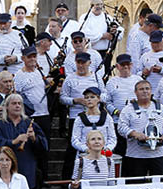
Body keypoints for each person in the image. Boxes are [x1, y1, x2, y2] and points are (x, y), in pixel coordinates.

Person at [60, 52, 106, 180]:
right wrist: (76, 100)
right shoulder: (69, 78)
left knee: (95, 144)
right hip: (76, 116)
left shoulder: (96, 77)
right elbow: (63, 98)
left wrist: (94, 100)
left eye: (83, 62)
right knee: (73, 147)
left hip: (95, 117)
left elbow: (105, 95)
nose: (81, 65)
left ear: (89, 63)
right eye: (78, 62)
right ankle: (68, 178)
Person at [0, 94, 48, 189]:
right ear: (7, 106)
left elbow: (44, 147)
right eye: (14, 103)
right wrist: (14, 141)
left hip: (27, 166)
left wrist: (34, 139)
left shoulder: (30, 124)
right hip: (6, 169)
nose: (17, 106)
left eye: (19, 104)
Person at [117, 80, 163, 180]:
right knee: (135, 186)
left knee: (161, 185)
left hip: (159, 155)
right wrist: (134, 133)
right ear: (135, 92)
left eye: (147, 89)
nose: (145, 91)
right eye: (141, 89)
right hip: (136, 156)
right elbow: (121, 127)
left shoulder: (161, 108)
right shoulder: (128, 109)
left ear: (151, 91)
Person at [102, 54, 142, 155]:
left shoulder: (138, 80)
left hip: (135, 122)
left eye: (127, 64)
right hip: (117, 121)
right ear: (117, 66)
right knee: (120, 150)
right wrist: (116, 111)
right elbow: (107, 102)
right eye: (122, 64)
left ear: (131, 65)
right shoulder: (111, 82)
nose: (125, 67)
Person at [78, 0, 123, 75]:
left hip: (106, 53)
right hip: (91, 52)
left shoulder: (107, 17)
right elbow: (85, 33)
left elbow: (120, 30)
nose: (99, 7)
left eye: (101, 4)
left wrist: (114, 32)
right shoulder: (85, 17)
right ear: (92, 5)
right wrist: (102, 36)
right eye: (97, 4)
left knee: (105, 74)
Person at [14, 46, 50, 137]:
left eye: (34, 56)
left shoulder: (40, 72)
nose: (33, 59)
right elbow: (16, 95)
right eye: (29, 57)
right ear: (23, 58)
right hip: (30, 116)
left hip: (44, 113)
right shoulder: (19, 75)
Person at [71, 87, 117, 154]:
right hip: (85, 155)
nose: (89, 99)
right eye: (86, 98)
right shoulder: (79, 119)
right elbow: (75, 140)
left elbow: (112, 138)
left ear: (98, 99)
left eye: (92, 97)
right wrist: (86, 149)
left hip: (103, 154)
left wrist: (107, 148)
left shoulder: (107, 118)